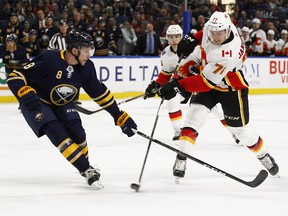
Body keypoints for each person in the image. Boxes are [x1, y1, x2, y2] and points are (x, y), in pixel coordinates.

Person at [6, 29, 137, 189]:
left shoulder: (87, 67)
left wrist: (118, 115)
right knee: (57, 132)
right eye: (86, 51)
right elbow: (15, 76)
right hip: (37, 103)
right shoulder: (50, 59)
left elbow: (99, 93)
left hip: (62, 102)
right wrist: (24, 91)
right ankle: (85, 169)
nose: (89, 54)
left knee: (78, 133)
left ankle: (85, 165)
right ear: (74, 50)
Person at [158, 11, 279, 180]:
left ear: (228, 31)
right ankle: (181, 156)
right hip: (208, 78)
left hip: (230, 86)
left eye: (219, 33)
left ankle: (263, 155)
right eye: (213, 32)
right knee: (193, 118)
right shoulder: (217, 24)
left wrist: (177, 85)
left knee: (241, 131)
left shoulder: (227, 52)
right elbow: (205, 31)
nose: (214, 36)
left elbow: (205, 82)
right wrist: (194, 39)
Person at [145, 25, 239, 143]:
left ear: (182, 36)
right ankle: (178, 130)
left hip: (198, 82)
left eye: (177, 36)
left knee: (216, 109)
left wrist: (198, 70)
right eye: (171, 37)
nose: (174, 40)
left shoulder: (195, 48)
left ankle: (234, 133)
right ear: (167, 38)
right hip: (182, 84)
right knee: (171, 100)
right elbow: (165, 74)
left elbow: (209, 66)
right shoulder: (165, 54)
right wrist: (156, 85)